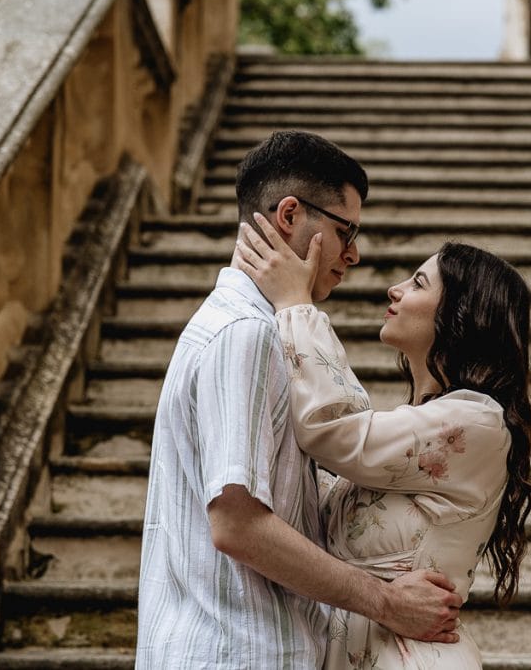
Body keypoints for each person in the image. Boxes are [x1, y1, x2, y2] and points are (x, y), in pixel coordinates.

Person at [136, 131, 463, 669]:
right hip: (235, 651)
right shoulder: (244, 333)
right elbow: (237, 523)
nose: (354, 254)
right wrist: (387, 603)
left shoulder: (254, 328)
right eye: (345, 230)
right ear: (290, 215)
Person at [234, 214, 531, 669]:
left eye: (418, 283)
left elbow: (336, 431)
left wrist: (295, 305)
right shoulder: (417, 426)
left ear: (460, 314)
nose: (395, 289)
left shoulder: (479, 422)